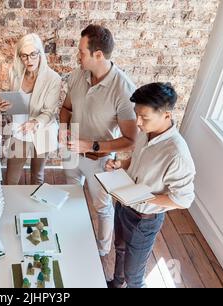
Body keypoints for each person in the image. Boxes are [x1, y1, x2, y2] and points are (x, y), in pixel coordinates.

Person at [106, 83, 196, 288]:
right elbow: (136, 161)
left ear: (166, 115)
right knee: (119, 249)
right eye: (136, 114)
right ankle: (116, 283)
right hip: (123, 206)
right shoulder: (146, 132)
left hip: (143, 221)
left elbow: (184, 199)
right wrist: (121, 164)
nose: (137, 122)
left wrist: (144, 197)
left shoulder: (177, 154)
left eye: (144, 117)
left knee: (134, 276)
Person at [59, 25, 137, 256]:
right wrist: (63, 128)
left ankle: (101, 253)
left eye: (82, 52)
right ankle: (71, 236)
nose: (78, 56)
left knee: (102, 209)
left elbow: (130, 140)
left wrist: (91, 146)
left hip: (100, 162)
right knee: (71, 195)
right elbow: (65, 108)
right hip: (71, 154)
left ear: (98, 55)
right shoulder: (77, 75)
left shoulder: (124, 90)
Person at [0, 34, 62, 185]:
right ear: (19, 56)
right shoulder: (14, 73)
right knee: (11, 179)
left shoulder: (53, 78)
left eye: (33, 54)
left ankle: (34, 208)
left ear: (40, 53)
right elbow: (15, 104)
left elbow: (49, 111)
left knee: (37, 176)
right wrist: (4, 108)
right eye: (24, 56)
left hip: (43, 130)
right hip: (20, 130)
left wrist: (34, 122)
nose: (29, 60)